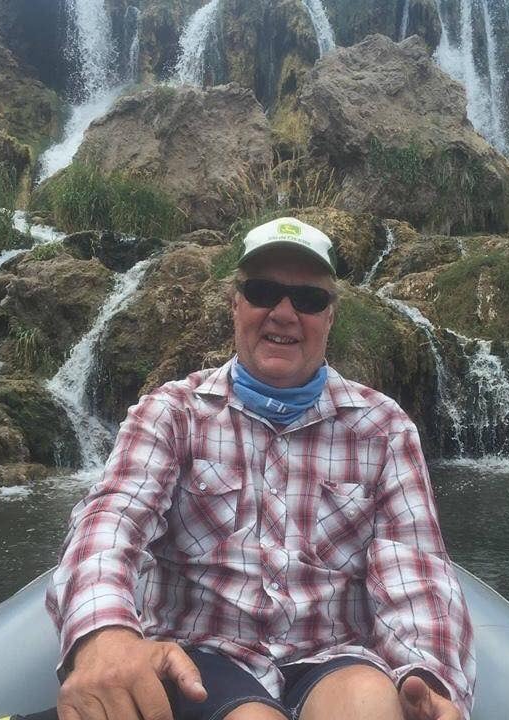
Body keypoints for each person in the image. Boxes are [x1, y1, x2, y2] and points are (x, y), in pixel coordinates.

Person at [36, 217, 475, 720]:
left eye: (308, 299)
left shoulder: (385, 428)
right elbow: (110, 523)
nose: (284, 313)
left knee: (369, 705)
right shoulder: (171, 413)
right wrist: (104, 636)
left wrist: (426, 672)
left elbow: (414, 570)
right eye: (264, 291)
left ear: (331, 316)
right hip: (203, 652)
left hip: (336, 655)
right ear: (235, 303)